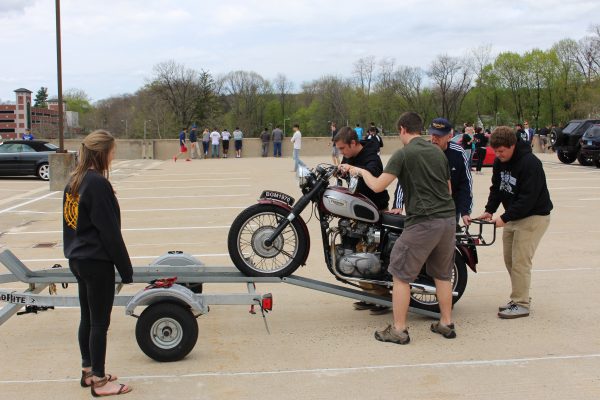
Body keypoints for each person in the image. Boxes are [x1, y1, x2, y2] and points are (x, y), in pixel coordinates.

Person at [346, 112, 457, 345]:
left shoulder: (404, 154)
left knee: (400, 274)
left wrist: (360, 171)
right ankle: (446, 323)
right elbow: (448, 190)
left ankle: (398, 330)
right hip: (447, 220)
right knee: (443, 274)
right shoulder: (438, 152)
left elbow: (377, 186)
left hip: (423, 221)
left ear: (403, 130)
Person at [62, 130, 133, 396]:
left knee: (87, 317)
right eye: (112, 152)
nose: (113, 157)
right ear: (102, 153)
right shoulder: (96, 184)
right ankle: (101, 382)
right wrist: (125, 270)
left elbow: (71, 224)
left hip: (78, 259)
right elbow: (109, 232)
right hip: (96, 261)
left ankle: (88, 371)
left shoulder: (75, 181)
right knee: (99, 322)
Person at [476, 126, 552, 319]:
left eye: (502, 151)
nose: (499, 155)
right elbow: (497, 188)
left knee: (520, 261)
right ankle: (520, 296)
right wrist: (489, 210)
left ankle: (521, 303)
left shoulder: (530, 163)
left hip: (534, 216)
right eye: (496, 151)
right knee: (510, 260)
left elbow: (528, 198)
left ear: (512, 145)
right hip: (513, 215)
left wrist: (503, 218)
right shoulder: (500, 162)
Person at [336, 126, 390, 314]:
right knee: (354, 251)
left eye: (343, 148)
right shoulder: (349, 156)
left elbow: (372, 177)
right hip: (357, 211)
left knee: (370, 254)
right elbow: (348, 174)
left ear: (353, 143)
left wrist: (353, 169)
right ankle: (369, 294)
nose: (341, 153)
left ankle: (383, 298)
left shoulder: (371, 156)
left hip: (375, 211)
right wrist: (341, 171)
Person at [391, 117, 472, 226]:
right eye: (432, 134)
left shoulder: (458, 153)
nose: (434, 139)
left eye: (439, 136)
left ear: (449, 136)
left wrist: (465, 211)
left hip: (451, 209)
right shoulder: (420, 151)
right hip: (424, 210)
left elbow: (466, 183)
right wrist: (398, 204)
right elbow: (404, 180)